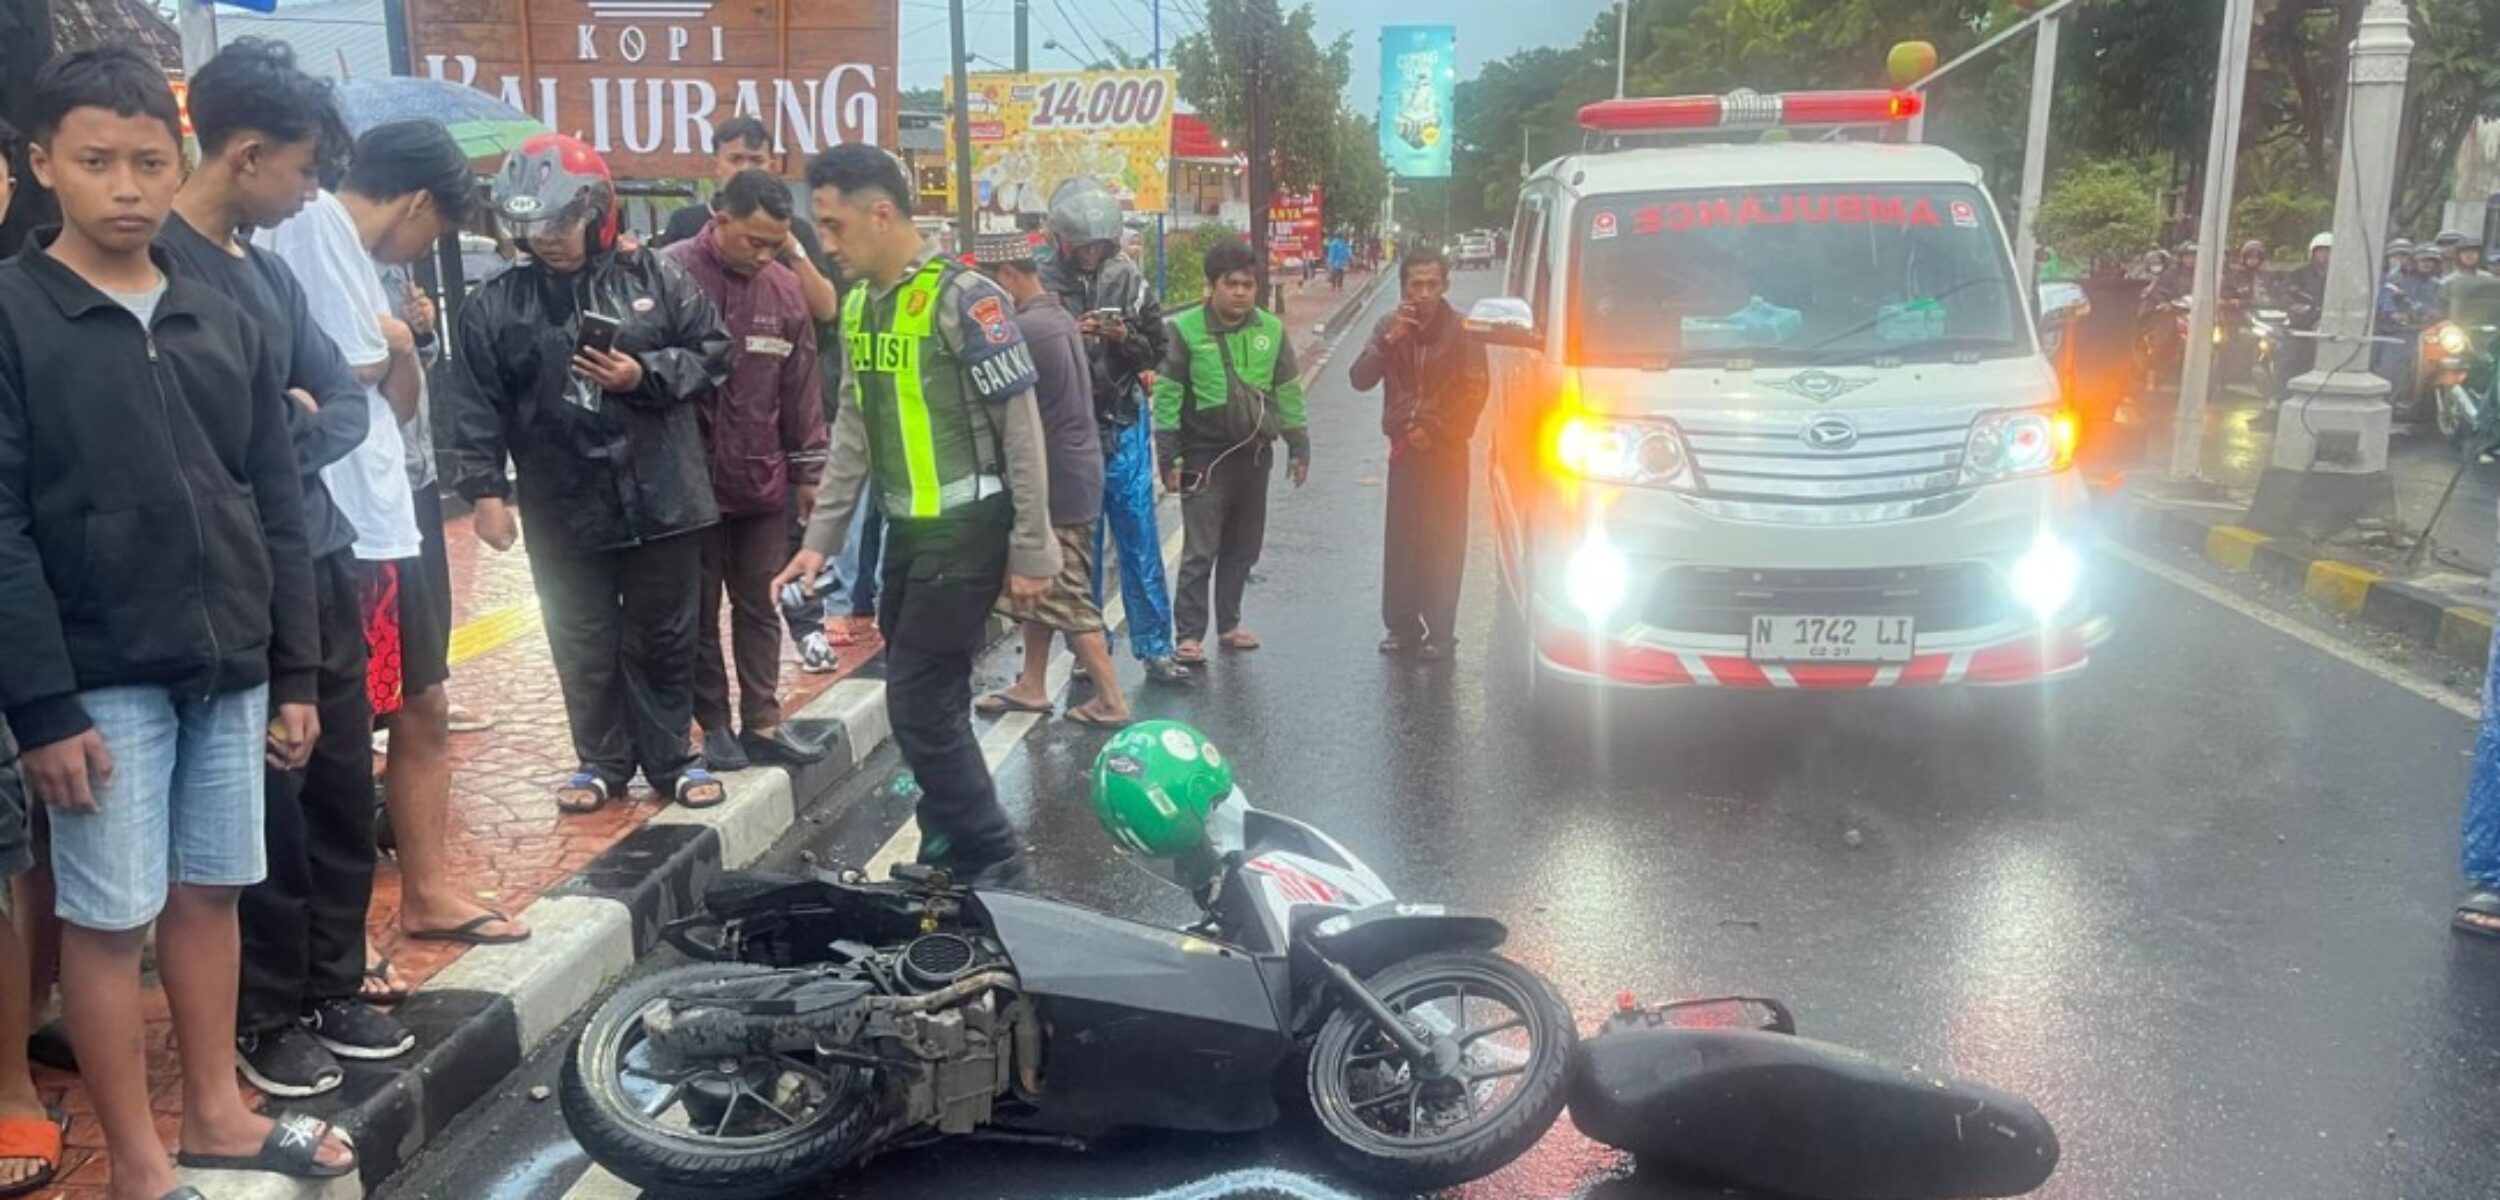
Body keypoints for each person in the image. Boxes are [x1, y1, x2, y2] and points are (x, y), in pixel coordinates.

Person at [0, 46, 359, 1193]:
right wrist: (44, 706)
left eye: (149, 161)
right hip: (99, 679)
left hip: (233, 668)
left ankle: (216, 1110)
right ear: (42, 163)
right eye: (96, 161)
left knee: (212, 893)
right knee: (112, 922)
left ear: (181, 162)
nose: (126, 188)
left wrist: (293, 673)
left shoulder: (220, 308)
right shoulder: (15, 316)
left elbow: (276, 502)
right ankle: (141, 1164)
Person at [154, 38, 417, 1097]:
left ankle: (331, 980)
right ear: (250, 153)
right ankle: (263, 1017)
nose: (309, 191)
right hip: (225, 583)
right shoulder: (157, 268)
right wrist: (279, 429)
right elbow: (179, 440)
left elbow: (341, 403)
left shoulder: (265, 273)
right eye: (305, 169)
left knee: (344, 786)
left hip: (318, 561)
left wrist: (282, 439)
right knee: (261, 804)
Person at [267, 122, 534, 973]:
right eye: (437, 231)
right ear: (419, 202)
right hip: (338, 520)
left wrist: (401, 343)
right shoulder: (309, 231)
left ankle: (424, 892)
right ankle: (332, 949)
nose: (429, 249)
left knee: (425, 699)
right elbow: (334, 371)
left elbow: (402, 392)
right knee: (342, 737)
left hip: (393, 508)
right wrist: (384, 347)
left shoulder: (372, 264)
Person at [771, 145, 1058, 888]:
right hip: (908, 535)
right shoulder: (864, 305)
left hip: (969, 530)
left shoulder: (969, 300)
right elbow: (855, 433)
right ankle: (945, 847)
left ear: (882, 213)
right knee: (930, 695)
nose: (825, 245)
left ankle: (994, 853)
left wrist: (1034, 546)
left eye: (833, 226)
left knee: (919, 704)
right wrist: (820, 542)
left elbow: (1020, 428)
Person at [446, 134, 733, 815]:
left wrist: (647, 374)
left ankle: (672, 759)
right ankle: (600, 759)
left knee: (666, 636)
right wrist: (485, 491)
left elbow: (714, 352)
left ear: (597, 212)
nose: (546, 240)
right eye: (532, 227)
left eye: (558, 225)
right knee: (580, 635)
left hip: (664, 494)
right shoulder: (494, 304)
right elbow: (472, 401)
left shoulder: (657, 278)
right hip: (561, 499)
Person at [661, 169, 830, 772]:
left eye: (774, 245)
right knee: (699, 609)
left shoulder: (784, 291)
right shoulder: (669, 271)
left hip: (761, 480)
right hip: (686, 482)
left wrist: (809, 472)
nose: (762, 255)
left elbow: (801, 387)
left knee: (761, 601)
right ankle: (716, 725)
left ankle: (764, 720)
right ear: (720, 217)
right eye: (753, 241)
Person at [971, 233, 1132, 729]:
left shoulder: (1025, 329)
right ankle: (1032, 683)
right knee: (1041, 583)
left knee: (1064, 588)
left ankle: (1110, 697)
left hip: (1055, 476)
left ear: (1006, 277)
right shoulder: (1057, 316)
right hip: (1077, 468)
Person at [1041, 180, 1190, 686]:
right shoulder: (1040, 284)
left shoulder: (1130, 279)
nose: (1088, 254)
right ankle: (1088, 648)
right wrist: (1067, 334)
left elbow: (1157, 351)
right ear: (1058, 238)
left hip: (1123, 421)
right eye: (1079, 244)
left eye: (1096, 245)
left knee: (1139, 536)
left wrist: (1123, 336)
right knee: (1080, 545)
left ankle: (1155, 647)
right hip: (1065, 431)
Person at [1154, 239, 1311, 666]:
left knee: (1244, 546)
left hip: (1256, 457)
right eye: (1232, 284)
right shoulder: (1185, 331)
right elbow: (1167, 396)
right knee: (1200, 548)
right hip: (1204, 456)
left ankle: (1229, 624)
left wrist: (1299, 446)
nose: (1241, 292)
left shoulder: (1271, 331)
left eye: (1248, 284)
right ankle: (1188, 634)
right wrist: (1168, 459)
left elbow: (1288, 392)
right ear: (1212, 286)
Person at [1349, 247, 1486, 660]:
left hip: (1446, 453)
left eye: (1432, 284)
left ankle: (1441, 632)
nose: (1424, 293)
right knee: (1404, 539)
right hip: (1405, 450)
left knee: (1444, 540)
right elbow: (1360, 379)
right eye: (1415, 284)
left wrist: (1438, 430)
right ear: (1403, 286)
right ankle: (1402, 626)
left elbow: (1475, 391)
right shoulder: (1389, 327)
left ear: (1445, 285)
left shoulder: (1465, 329)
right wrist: (1388, 344)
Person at [654, 115, 839, 325]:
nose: (745, 168)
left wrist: (791, 247)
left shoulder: (796, 229)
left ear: (772, 165)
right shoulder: (686, 222)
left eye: (756, 160)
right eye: (735, 159)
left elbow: (826, 309)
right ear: (716, 164)